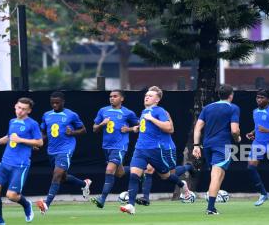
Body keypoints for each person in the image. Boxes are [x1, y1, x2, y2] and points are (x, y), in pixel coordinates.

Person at [120, 86, 193, 215]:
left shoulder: (159, 111)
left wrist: (152, 119)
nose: (147, 97)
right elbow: (146, 127)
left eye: (150, 95)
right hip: (140, 149)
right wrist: (136, 128)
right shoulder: (144, 111)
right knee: (134, 175)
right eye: (146, 95)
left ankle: (182, 184)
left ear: (157, 100)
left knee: (166, 175)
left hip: (156, 150)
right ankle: (131, 205)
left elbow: (169, 128)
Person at [0, 97, 43, 225]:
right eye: (18, 108)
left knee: (11, 195)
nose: (20, 111)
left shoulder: (32, 124)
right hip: (5, 163)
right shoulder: (12, 121)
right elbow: (9, 137)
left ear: (29, 111)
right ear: (15, 107)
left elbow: (39, 142)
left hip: (20, 165)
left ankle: (26, 204)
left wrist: (21, 140)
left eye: (24, 109)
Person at [36, 91, 91, 214]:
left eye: (57, 103)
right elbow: (43, 132)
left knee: (56, 175)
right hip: (52, 151)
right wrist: (38, 142)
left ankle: (46, 204)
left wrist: (72, 133)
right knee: (62, 178)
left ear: (63, 102)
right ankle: (84, 183)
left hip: (65, 149)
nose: (54, 105)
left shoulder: (71, 115)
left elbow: (83, 130)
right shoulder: (46, 115)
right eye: (52, 103)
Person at [193, 84, 241, 215]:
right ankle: (210, 208)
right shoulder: (233, 108)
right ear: (231, 95)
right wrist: (238, 139)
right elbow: (235, 130)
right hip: (222, 146)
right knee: (216, 175)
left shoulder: (207, 108)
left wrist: (196, 146)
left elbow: (197, 128)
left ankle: (212, 205)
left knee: (219, 174)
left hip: (207, 145)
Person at [90, 90, 139, 208]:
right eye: (110, 96)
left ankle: (102, 199)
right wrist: (102, 124)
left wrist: (129, 129)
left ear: (122, 99)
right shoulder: (103, 110)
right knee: (119, 173)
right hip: (106, 147)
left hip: (120, 146)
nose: (112, 98)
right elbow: (94, 129)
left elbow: (140, 126)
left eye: (115, 96)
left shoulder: (128, 113)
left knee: (109, 170)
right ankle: (137, 171)